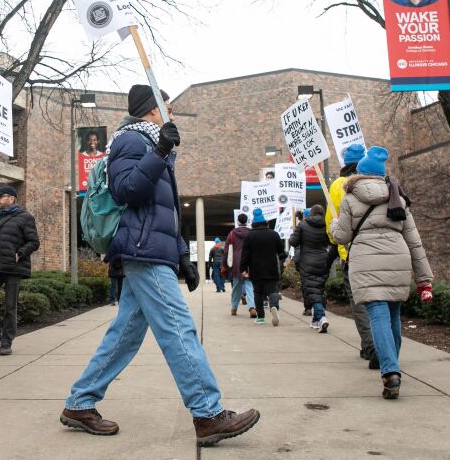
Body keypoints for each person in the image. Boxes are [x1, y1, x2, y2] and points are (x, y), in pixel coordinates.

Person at [61, 84, 260, 446]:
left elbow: (165, 212)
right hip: (141, 251)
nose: (171, 111)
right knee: (178, 329)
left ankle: (79, 402)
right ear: (152, 109)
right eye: (166, 105)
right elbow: (127, 191)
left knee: (124, 335)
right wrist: (161, 149)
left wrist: (182, 254)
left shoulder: (154, 147)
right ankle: (208, 413)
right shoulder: (130, 141)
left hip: (152, 250)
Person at [330, 146, 434, 400]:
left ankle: (390, 372)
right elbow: (415, 241)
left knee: (377, 315)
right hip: (398, 260)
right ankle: (392, 366)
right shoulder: (397, 197)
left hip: (366, 262)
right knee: (394, 316)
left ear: (360, 174)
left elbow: (341, 236)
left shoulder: (350, 198)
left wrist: (334, 225)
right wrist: (424, 279)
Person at [326, 144, 377, 367]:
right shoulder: (380, 182)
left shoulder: (338, 186)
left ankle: (370, 345)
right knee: (382, 301)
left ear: (345, 162)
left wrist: (337, 242)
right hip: (381, 251)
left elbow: (332, 226)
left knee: (359, 302)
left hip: (352, 252)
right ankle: (387, 346)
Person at [0, 185, 40, 356]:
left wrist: (20, 253)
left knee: (10, 306)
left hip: (13, 267)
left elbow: (34, 242)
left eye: (0, 197)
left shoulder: (25, 217)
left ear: (11, 198)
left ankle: (6, 341)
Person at [289, 205, 338, 332]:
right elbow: (332, 242)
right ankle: (316, 321)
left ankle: (321, 317)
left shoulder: (303, 226)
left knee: (312, 291)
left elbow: (293, 242)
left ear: (311, 213)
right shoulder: (326, 225)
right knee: (318, 289)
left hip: (307, 262)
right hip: (323, 261)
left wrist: (294, 233)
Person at [239, 208, 287, 327]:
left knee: (258, 293)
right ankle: (274, 306)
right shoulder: (274, 234)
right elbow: (281, 252)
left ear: (254, 222)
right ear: (265, 221)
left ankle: (260, 317)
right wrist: (283, 259)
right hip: (271, 268)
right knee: (272, 290)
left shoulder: (249, 236)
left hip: (256, 270)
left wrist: (242, 269)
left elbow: (245, 255)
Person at [222, 213, 256, 317]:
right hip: (249, 262)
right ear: (247, 221)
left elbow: (226, 251)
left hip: (236, 263)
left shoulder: (232, 233)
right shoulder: (252, 233)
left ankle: (234, 308)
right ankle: (252, 308)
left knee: (236, 286)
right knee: (250, 285)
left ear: (237, 221)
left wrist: (224, 264)